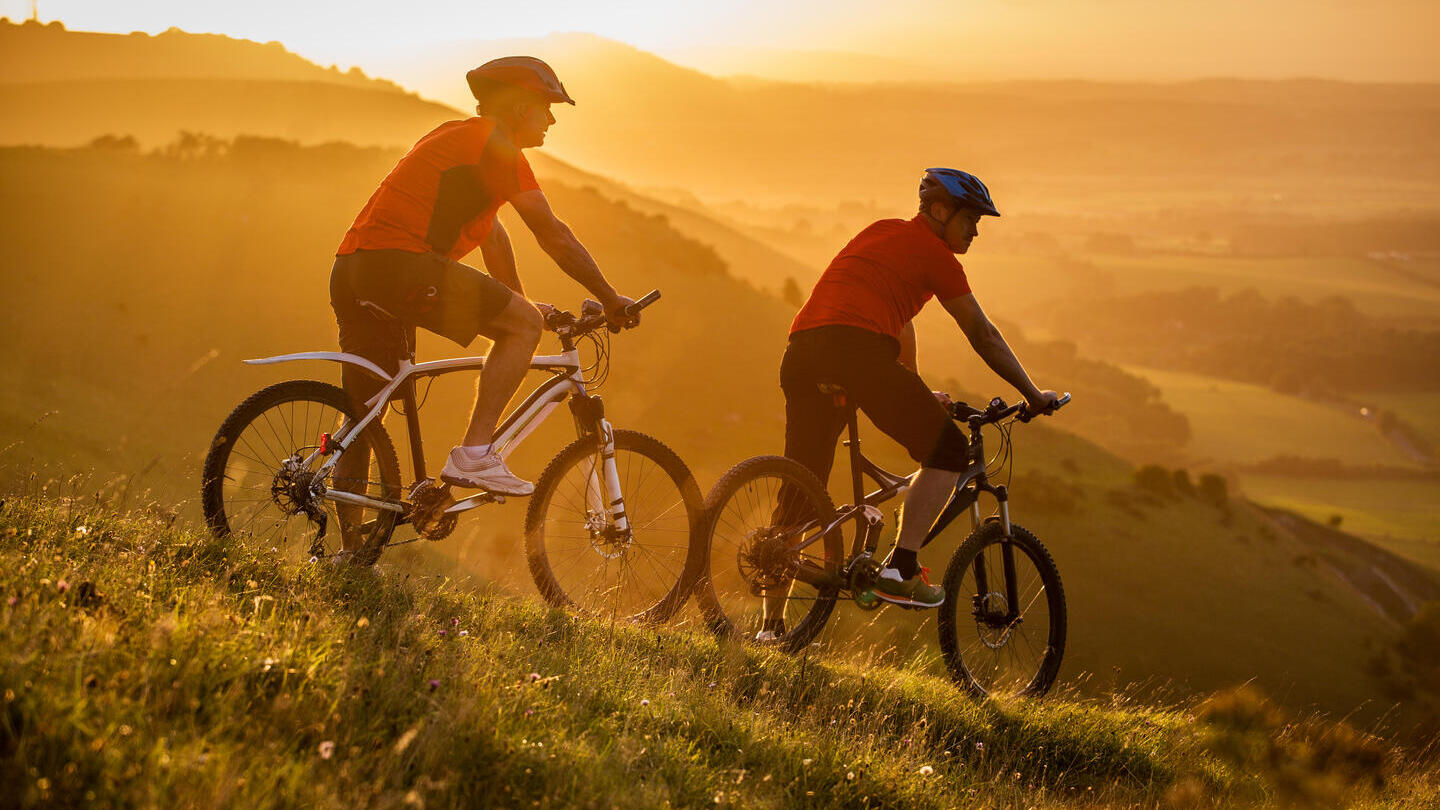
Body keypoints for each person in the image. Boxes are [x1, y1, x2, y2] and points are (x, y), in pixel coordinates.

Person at [328, 56, 638, 550]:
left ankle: (349, 551)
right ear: (519, 108)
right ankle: (474, 453)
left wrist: (518, 301)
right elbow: (553, 235)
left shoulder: (459, 139)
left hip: (353, 269)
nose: (552, 120)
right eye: (546, 109)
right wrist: (609, 297)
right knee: (521, 330)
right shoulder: (496, 147)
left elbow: (493, 235)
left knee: (365, 414)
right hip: (400, 265)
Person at [775, 168, 1060, 623]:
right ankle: (901, 568)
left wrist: (917, 388)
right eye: (971, 219)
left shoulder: (882, 233)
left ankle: (770, 628)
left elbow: (896, 318)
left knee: (801, 487)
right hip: (857, 352)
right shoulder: (938, 257)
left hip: (802, 352)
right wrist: (1032, 393)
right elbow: (983, 335)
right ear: (941, 211)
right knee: (948, 449)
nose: (976, 230)